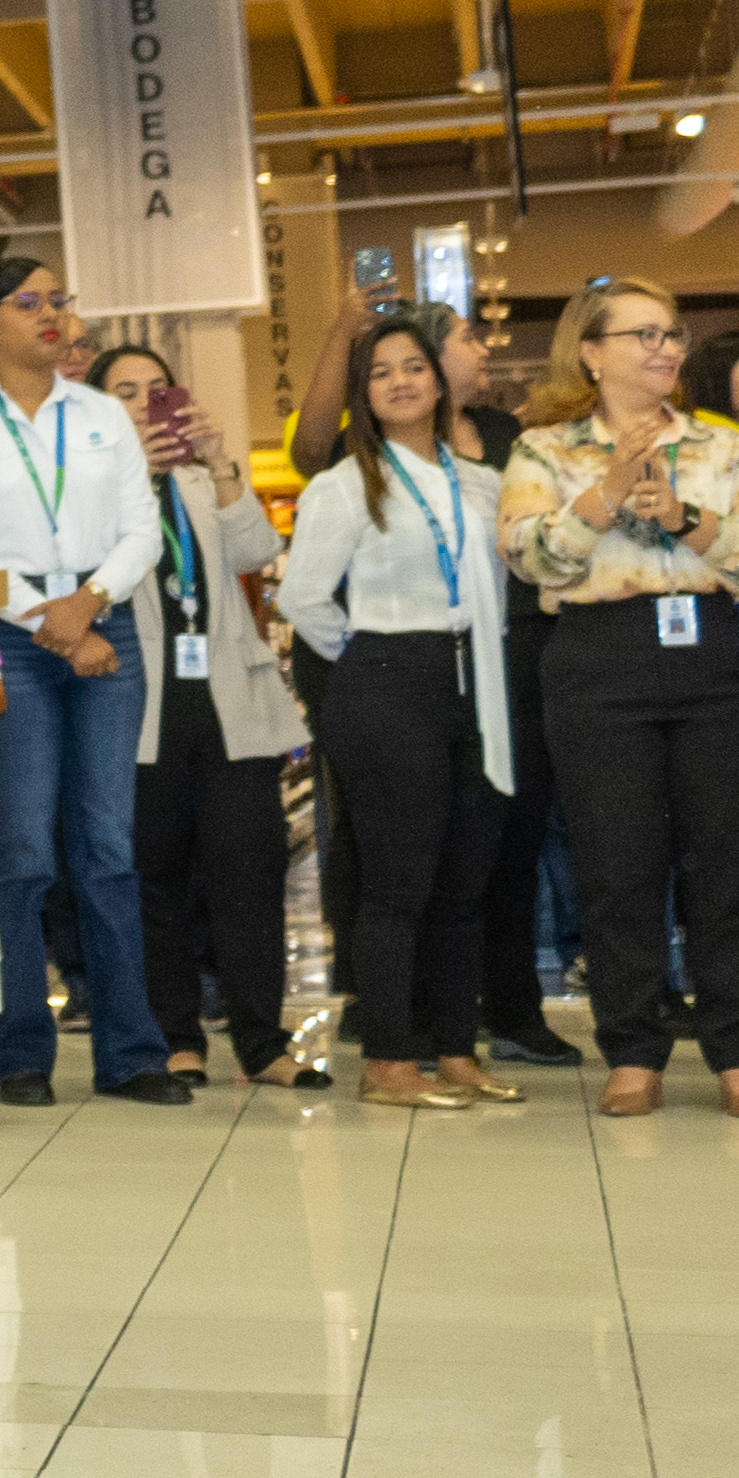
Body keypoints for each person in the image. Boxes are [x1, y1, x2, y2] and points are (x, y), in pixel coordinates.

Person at [502, 275, 739, 1119]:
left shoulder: (722, 445)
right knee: (617, 863)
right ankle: (633, 1052)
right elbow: (531, 558)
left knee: (732, 857)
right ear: (590, 353)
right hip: (600, 658)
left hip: (713, 652)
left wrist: (684, 518)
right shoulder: (543, 450)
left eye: (671, 334)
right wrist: (605, 493)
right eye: (643, 334)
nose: (666, 348)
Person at [0, 255, 186, 1105]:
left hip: (107, 630)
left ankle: (131, 1055)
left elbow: (144, 530)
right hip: (12, 640)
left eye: (58, 300)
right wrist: (52, 621)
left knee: (107, 853)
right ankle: (22, 1052)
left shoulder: (102, 414)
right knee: (23, 855)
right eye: (27, 303)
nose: (49, 315)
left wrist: (91, 602)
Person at [286, 308, 518, 1110]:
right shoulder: (345, 485)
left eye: (412, 367)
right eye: (380, 372)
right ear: (361, 393)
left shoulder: (483, 483)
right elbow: (302, 597)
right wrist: (370, 658)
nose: (400, 382)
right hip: (386, 678)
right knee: (398, 882)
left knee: (463, 881)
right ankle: (389, 1058)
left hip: (475, 676)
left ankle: (456, 1049)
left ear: (439, 378)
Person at [96, 342, 299, 1089]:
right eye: (124, 391)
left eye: (157, 388)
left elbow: (257, 550)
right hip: (140, 707)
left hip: (232, 704)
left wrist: (219, 464)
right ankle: (175, 1034)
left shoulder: (200, 479)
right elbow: (90, 572)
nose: (146, 403)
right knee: (156, 879)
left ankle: (263, 1041)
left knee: (250, 874)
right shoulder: (97, 487)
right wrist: (132, 479)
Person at [443, 301, 586, 1062]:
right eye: (467, 338)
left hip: (522, 651)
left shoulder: (507, 438)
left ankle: (514, 1008)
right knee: (442, 843)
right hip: (439, 664)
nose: (483, 348)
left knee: (517, 834)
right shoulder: (382, 450)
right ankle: (437, 1008)